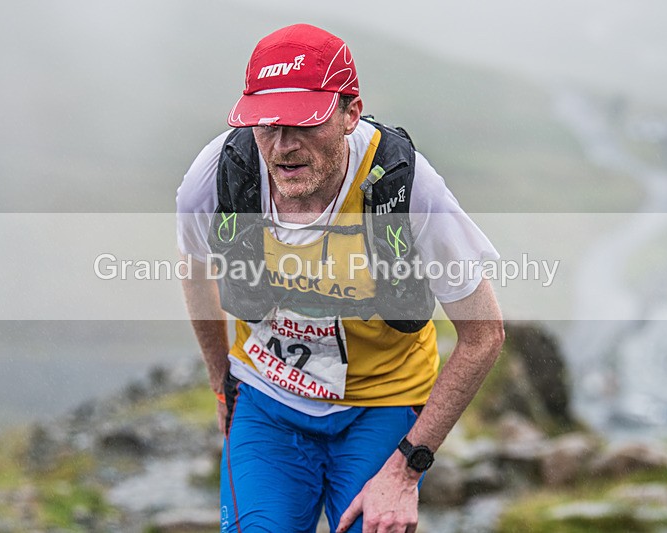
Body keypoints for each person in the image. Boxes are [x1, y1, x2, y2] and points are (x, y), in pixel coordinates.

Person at [176, 23, 504, 533]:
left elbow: (484, 335)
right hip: (266, 401)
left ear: (351, 113)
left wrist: (406, 470)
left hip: (381, 404)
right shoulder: (220, 174)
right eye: (266, 124)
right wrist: (222, 384)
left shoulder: (407, 187)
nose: (284, 146)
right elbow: (194, 268)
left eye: (305, 122)